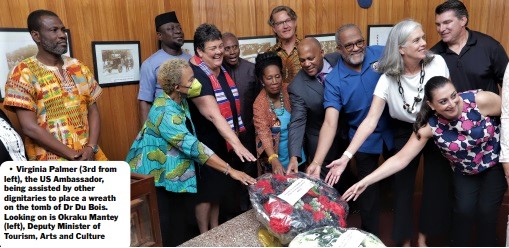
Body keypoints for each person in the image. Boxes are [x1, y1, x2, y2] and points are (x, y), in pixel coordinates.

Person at [323, 19, 450, 246]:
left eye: (422, 37)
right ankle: (403, 242)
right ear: (401, 49)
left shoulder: (437, 62)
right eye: (417, 40)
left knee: (435, 187)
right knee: (402, 190)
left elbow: (448, 100)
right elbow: (370, 120)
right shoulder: (386, 78)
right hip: (405, 130)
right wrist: (346, 157)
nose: (425, 42)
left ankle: (422, 238)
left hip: (436, 126)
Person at [343, 76, 508, 246]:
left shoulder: (479, 100)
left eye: (453, 96)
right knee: (463, 212)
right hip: (465, 171)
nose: (452, 103)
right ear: (431, 105)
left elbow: (508, 118)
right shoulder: (431, 126)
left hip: (494, 164)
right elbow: (401, 159)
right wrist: (365, 181)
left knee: (487, 212)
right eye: (443, 101)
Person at [127, 59, 256, 246]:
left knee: (182, 227)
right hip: (153, 177)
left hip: (171, 175)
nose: (196, 83)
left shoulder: (179, 99)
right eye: (191, 80)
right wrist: (231, 170)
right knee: (166, 229)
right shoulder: (165, 112)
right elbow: (194, 148)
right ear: (177, 86)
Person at [306, 24, 394, 236]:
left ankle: (402, 230)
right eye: (349, 45)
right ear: (339, 49)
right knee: (367, 191)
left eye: (359, 42)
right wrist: (317, 162)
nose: (356, 48)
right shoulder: (334, 80)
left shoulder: (381, 53)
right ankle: (370, 235)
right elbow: (330, 122)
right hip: (362, 141)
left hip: (394, 131)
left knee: (400, 183)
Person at [4, 9, 106, 161]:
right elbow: (29, 127)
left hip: (88, 155)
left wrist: (90, 147)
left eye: (62, 30)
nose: (62, 35)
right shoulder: (22, 73)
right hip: (50, 162)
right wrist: (72, 154)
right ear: (36, 35)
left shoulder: (78, 67)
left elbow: (93, 110)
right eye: (54, 30)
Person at [187, 23, 256, 233]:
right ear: (199, 51)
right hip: (203, 143)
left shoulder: (221, 69)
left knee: (217, 190)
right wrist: (237, 144)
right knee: (206, 193)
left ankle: (215, 230)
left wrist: (234, 142)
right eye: (213, 48)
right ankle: (204, 235)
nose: (219, 52)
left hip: (222, 140)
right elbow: (213, 115)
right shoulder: (196, 74)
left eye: (220, 47)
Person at [287, 37, 343, 174]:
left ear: (322, 52)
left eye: (310, 58)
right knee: (326, 186)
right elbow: (297, 121)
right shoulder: (297, 87)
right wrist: (294, 156)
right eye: (302, 60)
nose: (306, 64)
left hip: (349, 134)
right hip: (320, 142)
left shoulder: (338, 60)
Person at [431, 0, 508, 94]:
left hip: (487, 108)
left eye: (447, 22)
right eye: (438, 24)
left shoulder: (490, 47)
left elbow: (507, 85)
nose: (441, 29)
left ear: (463, 20)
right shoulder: (433, 55)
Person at [222, 32, 260, 212]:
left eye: (234, 47)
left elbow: (259, 101)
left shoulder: (251, 69)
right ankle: (232, 214)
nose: (231, 52)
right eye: (227, 48)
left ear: (239, 47)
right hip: (225, 136)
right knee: (229, 175)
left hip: (248, 134)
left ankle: (249, 210)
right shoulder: (217, 72)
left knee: (249, 173)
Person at [253, 52, 306, 175]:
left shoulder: (289, 90)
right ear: (262, 80)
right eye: (269, 78)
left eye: (277, 76)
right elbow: (263, 133)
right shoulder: (259, 104)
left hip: (296, 153)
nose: (275, 81)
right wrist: (273, 159)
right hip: (275, 157)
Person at [138, 11, 191, 126]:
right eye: (171, 29)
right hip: (165, 126)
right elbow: (145, 102)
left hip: (192, 123)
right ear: (160, 36)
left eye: (179, 27)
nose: (178, 31)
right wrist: (147, 134)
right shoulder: (150, 64)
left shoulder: (192, 60)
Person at [267, 5, 301, 85]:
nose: (285, 26)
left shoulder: (308, 48)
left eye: (288, 20)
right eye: (280, 23)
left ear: (295, 22)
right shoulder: (270, 54)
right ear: (274, 28)